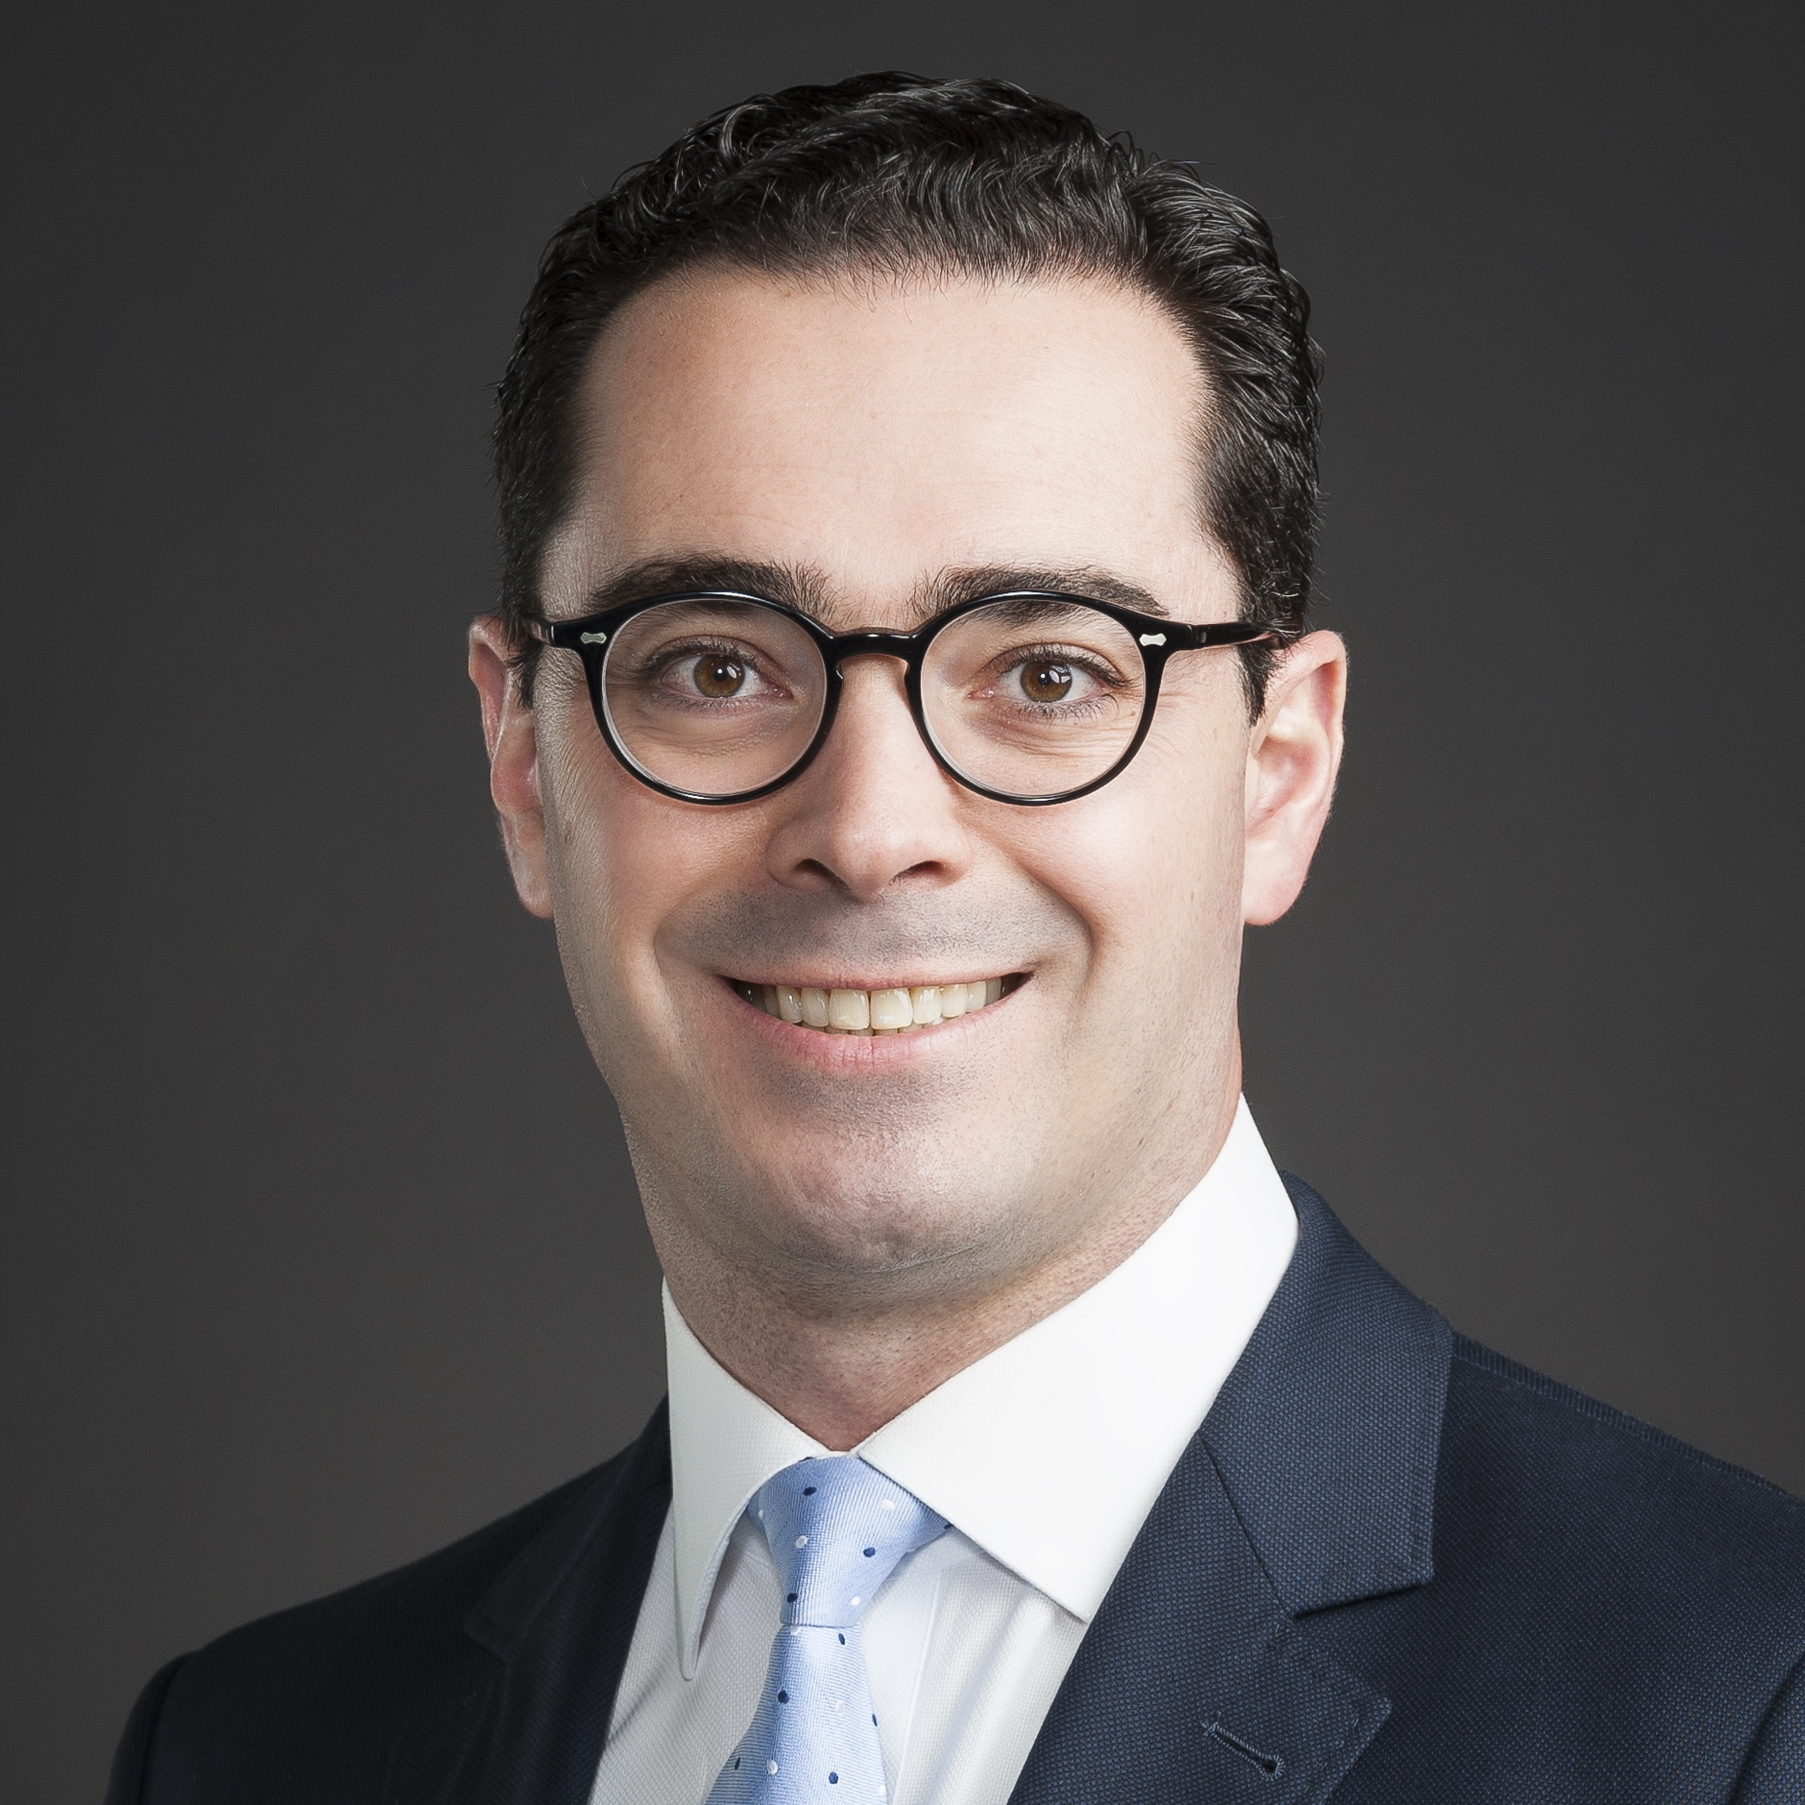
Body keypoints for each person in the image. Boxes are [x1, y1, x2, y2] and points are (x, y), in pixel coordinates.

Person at [106, 73, 1804, 1805]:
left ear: (1277, 775)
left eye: (1048, 671)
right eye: (713, 663)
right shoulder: (248, 1752)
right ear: (521, 763)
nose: (867, 827)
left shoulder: (1748, 1707)